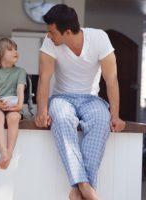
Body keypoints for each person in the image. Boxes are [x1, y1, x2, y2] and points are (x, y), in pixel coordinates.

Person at [35, 4, 126, 200]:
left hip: (92, 98)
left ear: (67, 31)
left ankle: (77, 190)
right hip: (62, 97)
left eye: (52, 32)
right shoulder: (49, 42)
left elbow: (112, 80)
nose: (48, 35)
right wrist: (42, 111)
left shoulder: (99, 38)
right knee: (62, 118)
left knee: (102, 120)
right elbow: (44, 79)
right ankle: (85, 185)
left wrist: (116, 115)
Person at [0, 38, 26, 170]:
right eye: (10, 49)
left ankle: (9, 153)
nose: (15, 51)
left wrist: (20, 105)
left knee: (14, 117)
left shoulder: (20, 71)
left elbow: (20, 89)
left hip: (14, 106)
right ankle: (3, 151)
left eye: (15, 49)